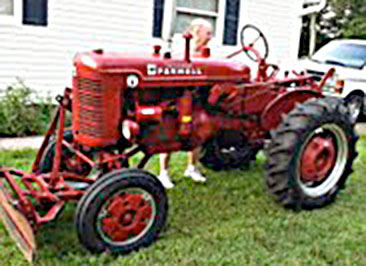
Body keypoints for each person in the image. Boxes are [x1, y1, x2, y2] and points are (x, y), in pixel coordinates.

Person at [158, 18, 213, 189]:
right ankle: (163, 173)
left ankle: (192, 168)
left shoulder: (206, 52)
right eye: (208, 33)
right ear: (197, 32)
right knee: (169, 133)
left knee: (196, 133)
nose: (211, 37)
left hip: (196, 97)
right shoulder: (180, 50)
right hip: (177, 99)